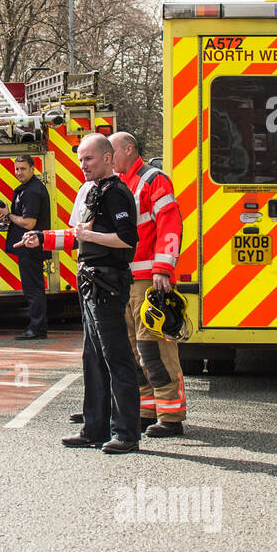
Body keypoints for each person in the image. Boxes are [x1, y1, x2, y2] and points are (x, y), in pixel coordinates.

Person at [19, 134, 140, 453]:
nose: (83, 165)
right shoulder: (89, 190)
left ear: (109, 158)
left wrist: (92, 235)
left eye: (89, 159)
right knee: (93, 357)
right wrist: (41, 239)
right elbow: (76, 237)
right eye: (81, 159)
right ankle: (94, 428)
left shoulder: (117, 193)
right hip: (89, 278)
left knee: (117, 357)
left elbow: (128, 239)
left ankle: (126, 433)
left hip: (109, 282)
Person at [111, 132, 188, 437]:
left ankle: (171, 416)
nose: (109, 157)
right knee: (132, 349)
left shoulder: (153, 179)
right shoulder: (121, 183)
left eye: (112, 151)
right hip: (126, 280)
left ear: (129, 150)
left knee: (153, 348)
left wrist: (163, 268)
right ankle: (146, 409)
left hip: (147, 280)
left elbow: (170, 223)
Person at [0, 154, 51, 340]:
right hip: (29, 246)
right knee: (33, 287)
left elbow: (29, 223)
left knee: (33, 289)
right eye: (16, 169)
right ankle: (37, 326)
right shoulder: (27, 189)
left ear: (32, 169)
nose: (19, 172)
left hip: (31, 247)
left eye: (23, 169)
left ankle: (37, 328)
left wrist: (9, 215)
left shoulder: (32, 191)